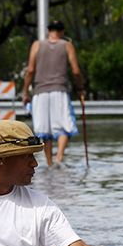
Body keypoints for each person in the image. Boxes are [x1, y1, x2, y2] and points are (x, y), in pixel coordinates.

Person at [22, 20, 83, 167]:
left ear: (48, 30)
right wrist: (81, 88)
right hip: (59, 90)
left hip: (39, 92)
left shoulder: (37, 45)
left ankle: (49, 163)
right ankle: (59, 158)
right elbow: (76, 71)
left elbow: (30, 70)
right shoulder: (67, 45)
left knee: (44, 130)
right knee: (63, 126)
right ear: (62, 32)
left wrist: (25, 92)